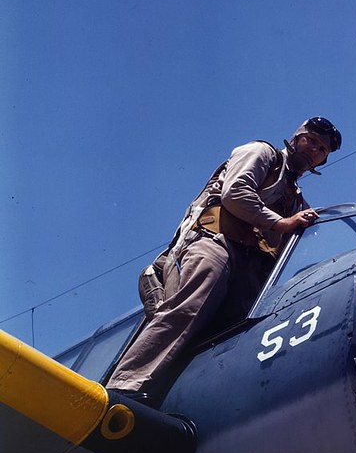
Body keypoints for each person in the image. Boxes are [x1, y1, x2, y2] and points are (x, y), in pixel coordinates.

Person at [107, 117, 342, 399]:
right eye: (312, 140)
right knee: (197, 297)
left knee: (241, 331)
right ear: (297, 137)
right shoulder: (262, 153)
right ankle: (123, 387)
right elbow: (235, 193)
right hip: (214, 242)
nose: (314, 149)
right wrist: (281, 223)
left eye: (322, 149)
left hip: (248, 268)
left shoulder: (296, 199)